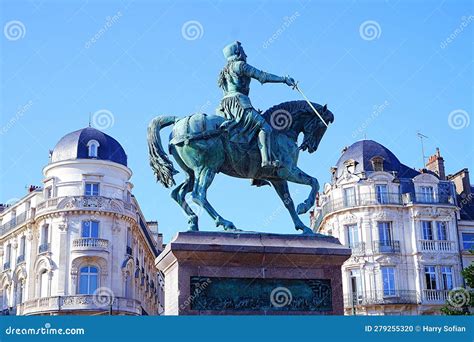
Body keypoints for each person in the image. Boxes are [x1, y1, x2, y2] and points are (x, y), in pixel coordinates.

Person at [216, 41, 296, 168]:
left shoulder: (224, 72)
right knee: (265, 128)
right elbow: (262, 76)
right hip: (240, 104)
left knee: (251, 129)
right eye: (242, 50)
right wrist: (283, 79)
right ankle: (266, 161)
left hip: (225, 107)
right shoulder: (240, 65)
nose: (245, 54)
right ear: (237, 52)